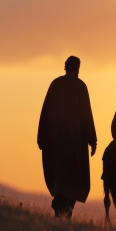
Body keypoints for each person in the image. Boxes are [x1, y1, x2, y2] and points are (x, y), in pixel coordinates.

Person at [37, 56, 97, 219]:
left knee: (58, 174)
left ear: (65, 67)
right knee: (73, 177)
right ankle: (64, 209)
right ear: (77, 68)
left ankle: (60, 207)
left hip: (55, 141)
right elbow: (86, 115)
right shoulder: (80, 86)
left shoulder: (55, 84)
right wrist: (92, 139)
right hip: (74, 143)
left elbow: (45, 112)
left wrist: (41, 137)